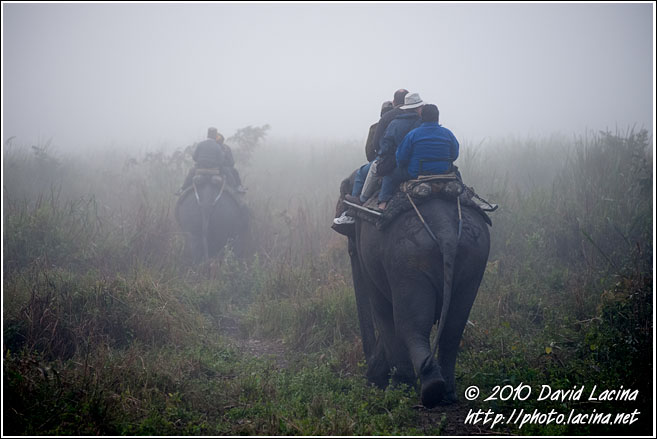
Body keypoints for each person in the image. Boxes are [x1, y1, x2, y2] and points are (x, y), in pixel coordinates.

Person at [378, 103, 459, 209]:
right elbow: (455, 155)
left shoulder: (413, 134)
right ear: (437, 117)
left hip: (416, 173)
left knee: (389, 176)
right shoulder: (448, 134)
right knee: (458, 174)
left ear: (421, 117)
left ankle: (382, 204)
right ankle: (465, 198)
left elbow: (401, 159)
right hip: (444, 173)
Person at [375, 92, 425, 209]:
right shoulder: (425, 124)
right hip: (434, 169)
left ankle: (381, 206)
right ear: (419, 108)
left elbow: (386, 148)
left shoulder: (394, 124)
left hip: (409, 169)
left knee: (389, 177)